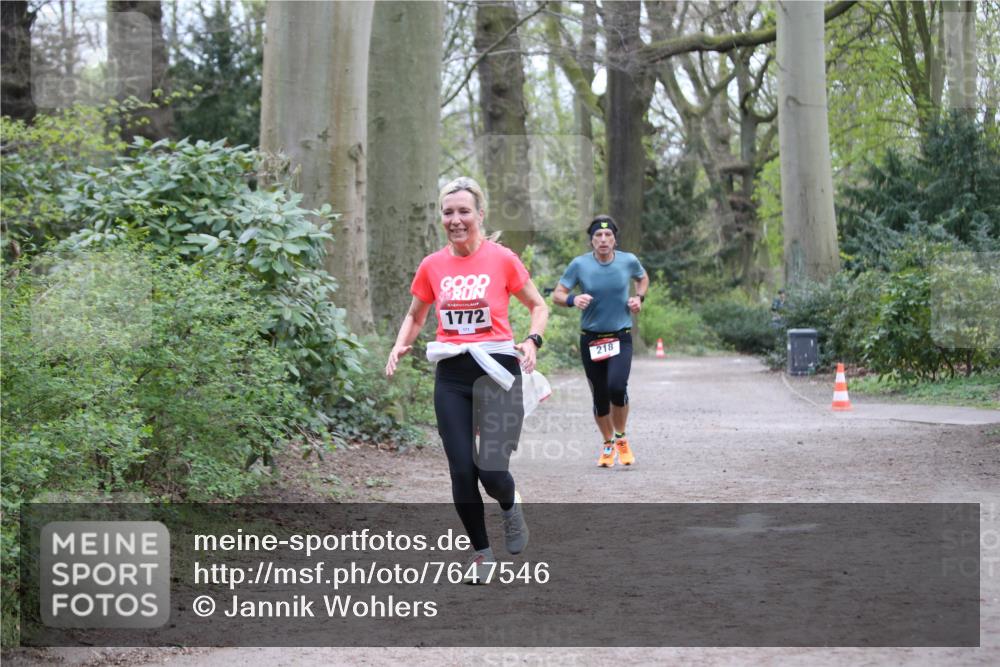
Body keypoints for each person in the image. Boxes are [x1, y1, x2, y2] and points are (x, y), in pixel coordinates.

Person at [385, 176, 548, 583]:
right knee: (461, 470)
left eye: (463, 212)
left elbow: (538, 305)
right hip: (453, 375)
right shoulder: (432, 265)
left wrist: (532, 341)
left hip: (497, 371)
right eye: (448, 212)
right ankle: (481, 553)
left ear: (480, 215)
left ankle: (510, 507)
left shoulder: (503, 259)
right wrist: (400, 344)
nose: (455, 220)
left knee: (492, 473)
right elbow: (416, 314)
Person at [552, 215, 648, 468]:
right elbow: (557, 294)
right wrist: (573, 300)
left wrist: (640, 298)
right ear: (592, 240)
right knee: (600, 397)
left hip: (620, 336)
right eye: (598, 236)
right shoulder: (579, 265)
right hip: (591, 339)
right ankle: (608, 443)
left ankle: (621, 437)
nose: (603, 240)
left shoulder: (628, 261)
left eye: (608, 236)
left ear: (615, 239)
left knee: (617, 387)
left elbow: (643, 278)